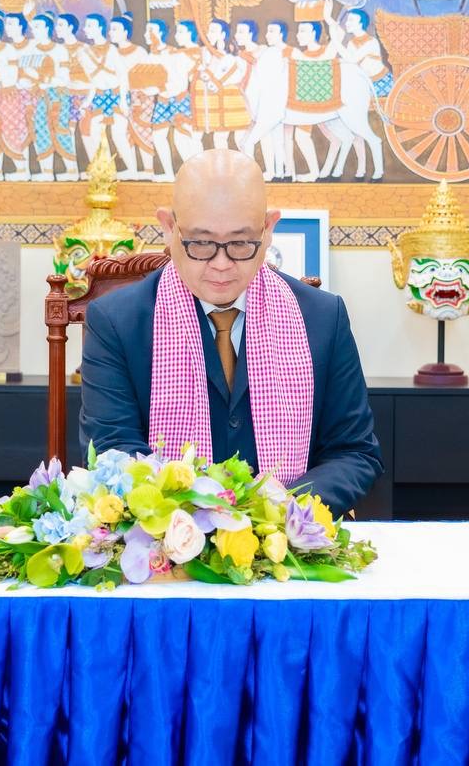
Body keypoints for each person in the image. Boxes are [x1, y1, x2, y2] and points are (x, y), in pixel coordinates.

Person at [79, 149, 382, 513]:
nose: (221, 264)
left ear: (268, 229)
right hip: (169, 536)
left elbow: (353, 452)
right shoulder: (117, 321)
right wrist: (193, 521)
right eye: (201, 243)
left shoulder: (322, 317)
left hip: (285, 532)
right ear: (169, 227)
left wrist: (280, 511)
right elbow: (113, 452)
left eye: (240, 243)